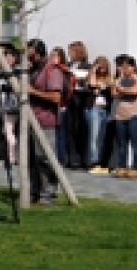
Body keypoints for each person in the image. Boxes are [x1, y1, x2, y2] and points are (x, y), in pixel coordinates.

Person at [27, 39, 63, 206]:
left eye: (30, 51)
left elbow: (56, 97)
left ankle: (48, 195)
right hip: (30, 119)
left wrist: (32, 91)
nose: (27, 54)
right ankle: (34, 192)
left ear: (38, 51)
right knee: (31, 159)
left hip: (45, 120)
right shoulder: (32, 70)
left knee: (45, 158)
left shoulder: (52, 70)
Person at [113, 56, 137, 179]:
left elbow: (135, 91)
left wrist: (122, 90)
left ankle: (135, 167)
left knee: (135, 143)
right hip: (120, 115)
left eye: (128, 66)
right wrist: (124, 90)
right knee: (122, 143)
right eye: (123, 67)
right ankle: (122, 166)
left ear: (133, 67)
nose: (125, 69)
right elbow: (114, 93)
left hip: (135, 114)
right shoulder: (118, 79)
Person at [85, 56, 113, 174]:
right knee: (94, 136)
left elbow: (111, 87)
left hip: (105, 110)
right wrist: (93, 70)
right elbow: (91, 84)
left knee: (102, 137)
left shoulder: (109, 78)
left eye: (104, 66)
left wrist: (101, 86)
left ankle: (101, 162)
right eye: (99, 66)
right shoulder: (91, 77)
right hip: (94, 109)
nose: (102, 69)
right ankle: (94, 161)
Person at [66, 41, 91, 169]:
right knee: (70, 129)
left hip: (82, 99)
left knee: (82, 129)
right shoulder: (68, 66)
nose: (69, 54)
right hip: (70, 100)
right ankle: (72, 159)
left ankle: (84, 159)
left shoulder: (87, 66)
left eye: (71, 51)